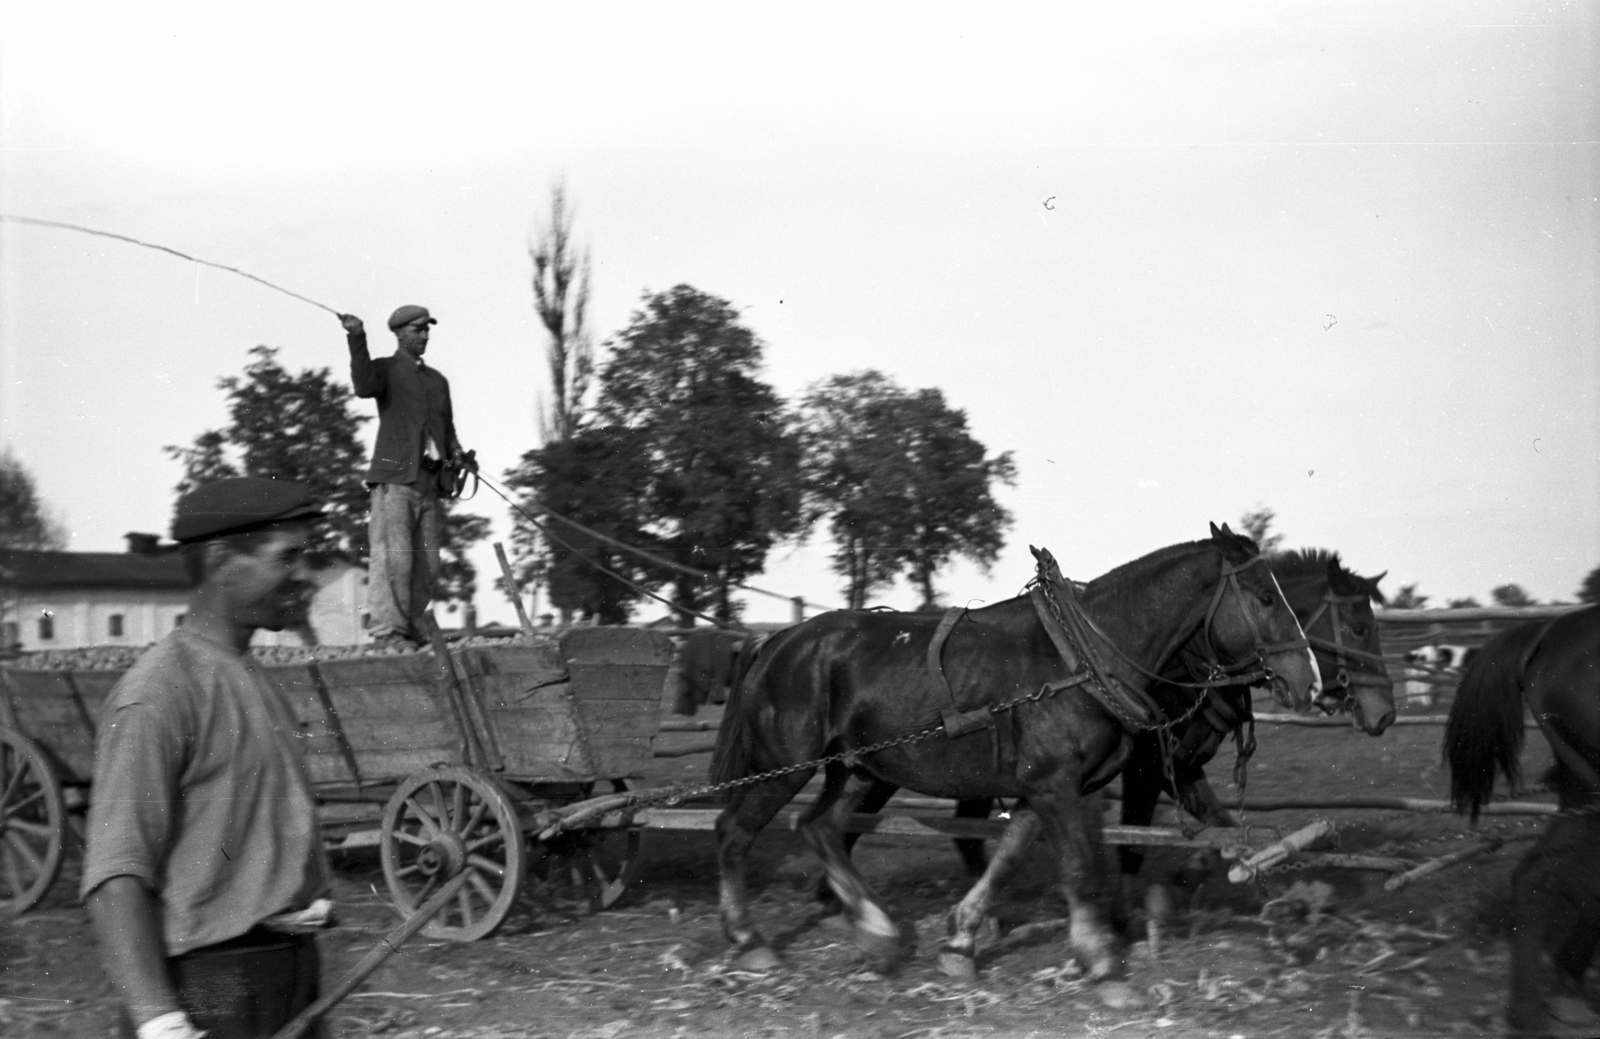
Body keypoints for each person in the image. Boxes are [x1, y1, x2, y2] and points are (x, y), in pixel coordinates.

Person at [82, 477, 334, 1039]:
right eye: (286, 557)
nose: (305, 575)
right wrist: (160, 1021)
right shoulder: (158, 694)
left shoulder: (249, 675)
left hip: (284, 970)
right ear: (222, 560)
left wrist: (285, 897)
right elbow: (115, 876)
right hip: (212, 986)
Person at [339, 305, 474, 648]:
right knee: (393, 558)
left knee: (428, 563)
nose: (424, 335)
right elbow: (363, 386)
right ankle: (387, 631)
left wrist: (457, 454)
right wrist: (357, 337)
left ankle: (411, 627)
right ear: (399, 334)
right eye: (417, 330)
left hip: (429, 484)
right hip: (394, 480)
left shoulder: (437, 381)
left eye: (427, 329)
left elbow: (448, 427)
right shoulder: (385, 370)